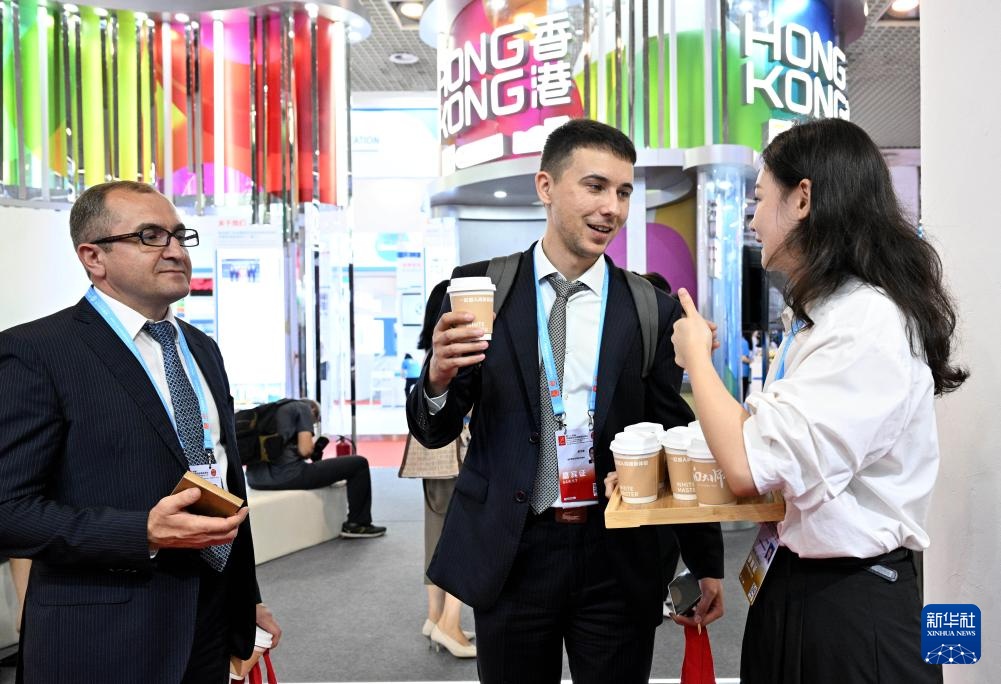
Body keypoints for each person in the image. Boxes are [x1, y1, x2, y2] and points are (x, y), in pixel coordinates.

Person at [407, 119, 724, 684]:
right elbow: (435, 430)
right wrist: (436, 377)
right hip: (512, 547)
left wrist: (704, 560)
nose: (612, 208)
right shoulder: (475, 292)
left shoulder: (652, 309)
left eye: (623, 192)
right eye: (595, 186)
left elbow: (675, 435)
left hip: (617, 553)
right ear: (546, 187)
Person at [671, 118, 967, 683]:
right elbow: (767, 441)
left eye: (760, 199)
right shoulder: (822, 315)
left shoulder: (865, 322)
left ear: (802, 198)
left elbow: (747, 465)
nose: (753, 219)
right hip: (799, 582)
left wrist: (697, 361)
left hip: (850, 606)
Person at [0, 180, 281, 683]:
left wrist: (246, 599)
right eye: (150, 236)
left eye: (179, 235)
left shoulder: (202, 349)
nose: (175, 251)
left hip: (210, 619)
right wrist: (142, 533)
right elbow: (7, 511)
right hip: (102, 637)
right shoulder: (36, 352)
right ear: (94, 257)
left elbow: (221, 476)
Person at [413, 279, 476, 658]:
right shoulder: (458, 353)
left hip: (430, 456)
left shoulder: (431, 355)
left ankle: (435, 617)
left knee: (435, 532)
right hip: (457, 453)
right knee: (466, 532)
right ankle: (450, 623)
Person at [245, 399, 387, 538]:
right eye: (314, 421)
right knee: (359, 463)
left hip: (254, 480)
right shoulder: (303, 409)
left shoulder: (272, 410)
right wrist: (312, 450)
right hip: (288, 476)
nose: (312, 424)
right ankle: (358, 524)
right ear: (313, 410)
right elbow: (305, 450)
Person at [740, 331, 753, 399]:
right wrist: (750, 361)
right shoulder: (744, 342)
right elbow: (743, 358)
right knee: (743, 395)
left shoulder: (736, 342)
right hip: (744, 374)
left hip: (739, 374)